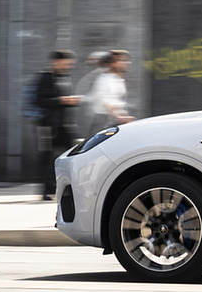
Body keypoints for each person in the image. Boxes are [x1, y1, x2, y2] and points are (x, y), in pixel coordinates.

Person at [34, 49, 81, 200]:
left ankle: (62, 186)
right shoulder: (46, 78)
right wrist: (62, 100)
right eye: (65, 62)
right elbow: (40, 100)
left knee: (70, 153)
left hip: (63, 124)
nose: (67, 65)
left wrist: (70, 101)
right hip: (49, 125)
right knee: (48, 157)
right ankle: (46, 189)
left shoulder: (64, 77)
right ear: (56, 62)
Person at [85, 49, 136, 137]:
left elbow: (116, 102)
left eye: (127, 60)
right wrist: (119, 117)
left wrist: (123, 115)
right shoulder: (104, 79)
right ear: (113, 63)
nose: (127, 63)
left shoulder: (117, 79)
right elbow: (105, 101)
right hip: (104, 121)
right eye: (122, 61)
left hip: (114, 120)